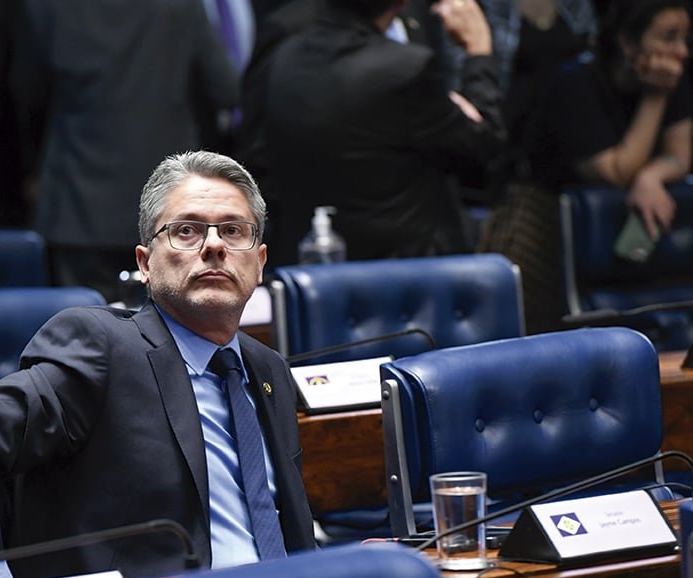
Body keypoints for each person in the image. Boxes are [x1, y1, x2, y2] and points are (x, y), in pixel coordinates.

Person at [0, 150, 316, 578]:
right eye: (186, 231)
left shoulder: (268, 369)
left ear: (259, 262)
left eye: (234, 231)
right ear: (145, 263)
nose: (214, 246)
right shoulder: (104, 348)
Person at [8, 0, 239, 302]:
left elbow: (26, 91)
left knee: (88, 327)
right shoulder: (178, 5)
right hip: (167, 206)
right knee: (172, 327)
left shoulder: (50, 6)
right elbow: (225, 89)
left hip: (79, 209)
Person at [482, 0, 691, 332]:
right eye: (668, 37)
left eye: (685, 39)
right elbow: (616, 172)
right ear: (627, 42)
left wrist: (652, 176)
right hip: (544, 225)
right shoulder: (575, 82)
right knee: (546, 333)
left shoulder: (673, 80)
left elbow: (679, 156)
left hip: (614, 237)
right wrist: (655, 97)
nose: (681, 51)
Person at [261, 0, 506, 267]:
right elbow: (483, 148)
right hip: (407, 272)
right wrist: (479, 51)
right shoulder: (406, 70)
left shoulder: (284, 57)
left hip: (313, 265)